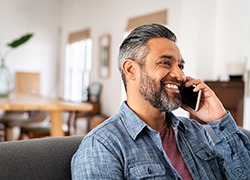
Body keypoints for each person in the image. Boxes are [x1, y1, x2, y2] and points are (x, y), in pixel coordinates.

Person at [71, 24, 250, 179]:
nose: (180, 75)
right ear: (131, 69)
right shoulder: (102, 146)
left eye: (180, 66)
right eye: (165, 63)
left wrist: (219, 119)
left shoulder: (195, 132)